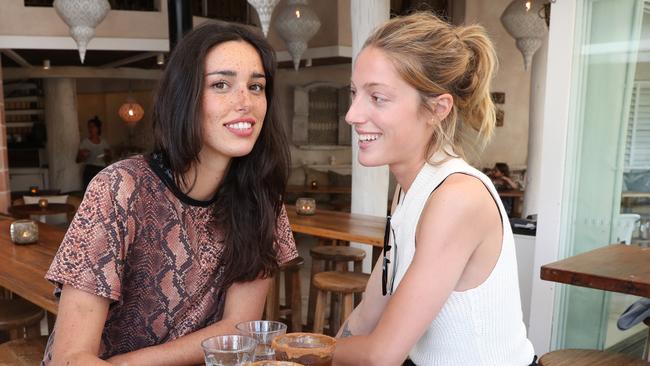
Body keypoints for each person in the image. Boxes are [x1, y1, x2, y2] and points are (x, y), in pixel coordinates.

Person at [42, 21, 297, 365]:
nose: (245, 102)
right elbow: (70, 358)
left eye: (256, 86)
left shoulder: (261, 197)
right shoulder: (120, 188)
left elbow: (239, 328)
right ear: (185, 97)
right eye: (221, 84)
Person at [333, 12, 535, 366]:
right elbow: (369, 313)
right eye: (354, 93)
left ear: (437, 109)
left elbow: (382, 355)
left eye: (377, 97)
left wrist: (294, 349)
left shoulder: (457, 198)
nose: (352, 114)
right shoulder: (409, 192)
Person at [76, 116, 112, 191]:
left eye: (92, 127)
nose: (90, 129)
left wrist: (107, 155)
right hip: (89, 170)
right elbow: (77, 160)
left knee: (102, 192)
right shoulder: (85, 142)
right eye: (89, 127)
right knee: (89, 193)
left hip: (101, 170)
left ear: (98, 128)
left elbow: (109, 160)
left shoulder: (104, 143)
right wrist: (83, 155)